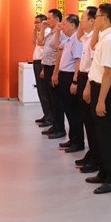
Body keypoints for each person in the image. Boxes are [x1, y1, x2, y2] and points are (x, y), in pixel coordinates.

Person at [82, 3, 111, 194]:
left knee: (108, 136)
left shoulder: (110, 40)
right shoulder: (104, 37)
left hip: (106, 91)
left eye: (97, 17)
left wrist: (100, 101)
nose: (94, 20)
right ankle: (104, 172)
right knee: (100, 134)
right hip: (98, 87)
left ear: (105, 18)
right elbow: (96, 61)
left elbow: (108, 72)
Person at [72, 7, 100, 173]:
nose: (80, 20)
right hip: (83, 77)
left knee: (91, 121)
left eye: (83, 18)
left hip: (90, 79)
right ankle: (91, 153)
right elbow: (78, 36)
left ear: (92, 20)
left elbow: (94, 66)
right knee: (86, 120)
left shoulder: (95, 39)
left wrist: (88, 87)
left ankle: (96, 157)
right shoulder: (87, 37)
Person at [55, 14, 85, 152]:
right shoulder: (68, 39)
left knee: (74, 112)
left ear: (72, 25)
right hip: (64, 75)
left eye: (64, 24)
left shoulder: (77, 40)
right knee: (68, 110)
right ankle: (72, 138)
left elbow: (78, 61)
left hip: (70, 77)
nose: (62, 27)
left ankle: (78, 142)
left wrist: (75, 81)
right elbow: (57, 46)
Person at [38, 9, 66, 139]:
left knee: (57, 100)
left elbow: (59, 51)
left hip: (55, 68)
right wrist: (42, 29)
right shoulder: (50, 32)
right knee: (50, 99)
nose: (47, 21)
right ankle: (55, 125)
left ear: (57, 19)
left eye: (49, 18)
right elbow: (40, 42)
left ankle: (60, 128)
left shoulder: (61, 33)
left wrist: (55, 72)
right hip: (48, 67)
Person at [32, 14, 53, 127]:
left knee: (45, 92)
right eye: (34, 22)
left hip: (42, 63)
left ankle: (50, 117)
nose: (35, 24)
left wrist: (43, 68)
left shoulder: (47, 31)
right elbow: (34, 41)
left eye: (37, 22)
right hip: (37, 63)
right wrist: (34, 31)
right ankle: (46, 114)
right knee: (41, 91)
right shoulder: (41, 32)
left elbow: (46, 51)